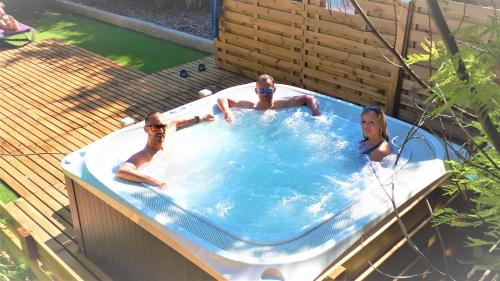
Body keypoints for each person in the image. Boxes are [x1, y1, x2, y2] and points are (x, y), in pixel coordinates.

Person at [116, 112, 215, 189]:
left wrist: (199, 118)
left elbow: (175, 123)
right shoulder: (146, 154)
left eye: (163, 126)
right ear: (146, 130)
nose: (161, 131)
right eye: (156, 127)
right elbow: (123, 171)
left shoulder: (167, 136)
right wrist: (155, 181)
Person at [217, 74, 321, 123]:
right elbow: (221, 99)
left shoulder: (281, 104)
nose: (265, 93)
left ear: (274, 90)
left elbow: (308, 97)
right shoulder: (251, 106)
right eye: (262, 90)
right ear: (256, 91)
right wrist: (227, 113)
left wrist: (315, 111)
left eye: (269, 90)